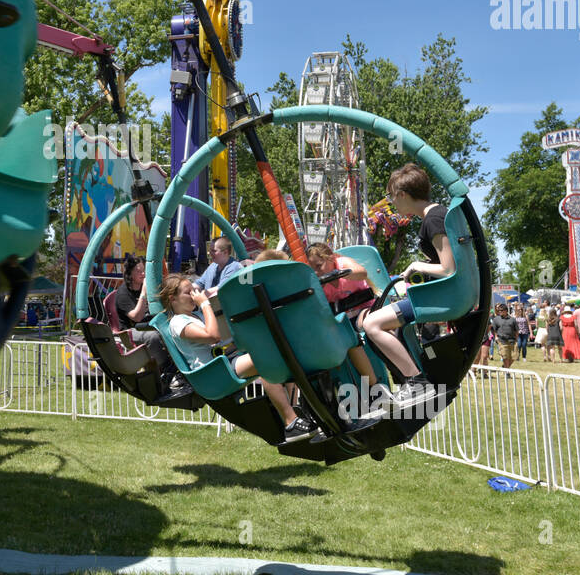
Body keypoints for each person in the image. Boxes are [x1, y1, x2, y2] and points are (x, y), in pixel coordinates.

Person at [158, 272, 316, 443]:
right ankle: (291, 423)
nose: (194, 295)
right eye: (188, 292)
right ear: (173, 299)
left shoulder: (192, 316)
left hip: (222, 363)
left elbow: (219, 341)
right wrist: (205, 304)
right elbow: (212, 336)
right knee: (264, 361)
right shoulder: (178, 322)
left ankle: (295, 412)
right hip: (213, 374)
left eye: (194, 290)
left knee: (279, 353)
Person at [357, 163, 460, 407]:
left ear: (402, 194)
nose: (392, 203)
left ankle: (416, 383)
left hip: (442, 298)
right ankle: (411, 379)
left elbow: (449, 268)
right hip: (439, 294)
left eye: (392, 197)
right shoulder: (438, 214)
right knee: (383, 325)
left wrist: (417, 265)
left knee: (372, 324)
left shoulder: (433, 219)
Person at [307, 242, 391, 417]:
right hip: (344, 319)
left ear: (330, 258)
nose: (317, 271)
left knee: (364, 325)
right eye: (313, 268)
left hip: (363, 309)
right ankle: (356, 394)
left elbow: (362, 272)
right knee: (347, 338)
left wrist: (340, 273)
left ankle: (378, 385)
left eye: (319, 266)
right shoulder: (321, 283)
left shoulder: (343, 263)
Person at [110, 254, 187, 393]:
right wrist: (144, 294)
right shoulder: (123, 293)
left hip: (148, 325)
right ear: (130, 274)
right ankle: (167, 372)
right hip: (130, 331)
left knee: (174, 329)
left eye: (144, 270)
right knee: (155, 337)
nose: (143, 274)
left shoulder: (145, 286)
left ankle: (180, 367)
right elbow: (137, 317)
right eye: (139, 271)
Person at [490, 303, 519, 370]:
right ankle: (507, 372)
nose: (500, 312)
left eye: (501, 310)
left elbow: (516, 330)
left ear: (506, 311)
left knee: (515, 356)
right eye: (499, 310)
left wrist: (516, 339)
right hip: (502, 341)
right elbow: (494, 329)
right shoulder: (496, 319)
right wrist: (496, 337)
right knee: (505, 357)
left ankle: (505, 367)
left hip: (512, 340)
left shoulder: (512, 320)